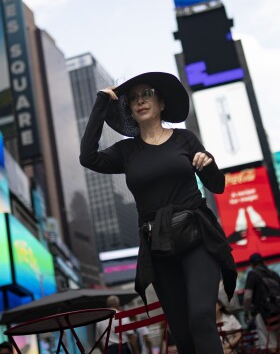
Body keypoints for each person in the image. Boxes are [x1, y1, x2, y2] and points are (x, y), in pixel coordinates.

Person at [79, 72, 237, 354]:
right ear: (129, 109)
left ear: (161, 103)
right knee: (183, 334)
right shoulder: (126, 151)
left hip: (197, 237)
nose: (140, 101)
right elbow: (87, 157)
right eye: (134, 98)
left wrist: (208, 164)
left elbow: (218, 185)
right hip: (159, 246)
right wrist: (102, 103)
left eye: (147, 94)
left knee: (201, 318)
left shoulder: (185, 140)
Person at [242, 253, 280, 351]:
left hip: (262, 314)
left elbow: (247, 297)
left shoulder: (252, 274)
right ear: (263, 261)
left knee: (269, 346)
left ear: (252, 264)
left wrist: (245, 312)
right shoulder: (274, 274)